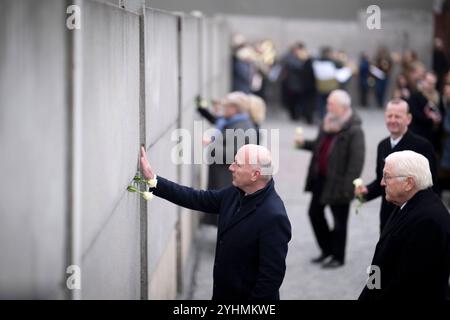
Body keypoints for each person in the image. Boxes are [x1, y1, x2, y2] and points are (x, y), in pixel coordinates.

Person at [139, 144, 292, 300]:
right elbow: (196, 198)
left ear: (255, 175)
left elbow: (270, 279)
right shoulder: (236, 192)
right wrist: (153, 180)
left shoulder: (274, 216)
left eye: (237, 164)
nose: (231, 168)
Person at [359, 150, 450, 300]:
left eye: (387, 176)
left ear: (408, 183)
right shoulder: (407, 203)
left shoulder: (428, 222)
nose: (382, 182)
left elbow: (408, 285)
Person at [295, 89, 365, 268]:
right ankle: (327, 250)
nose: (327, 107)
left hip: (340, 182)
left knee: (340, 222)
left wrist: (348, 186)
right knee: (314, 213)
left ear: (343, 107)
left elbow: (356, 162)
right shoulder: (327, 123)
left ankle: (338, 257)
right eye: (328, 103)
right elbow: (320, 146)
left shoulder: (354, 130)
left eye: (331, 104)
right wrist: (304, 144)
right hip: (321, 178)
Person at [354, 99, 438, 232]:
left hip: (412, 217)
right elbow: (381, 181)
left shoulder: (423, 146)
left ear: (408, 119)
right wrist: (365, 192)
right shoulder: (382, 145)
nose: (392, 120)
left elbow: (431, 186)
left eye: (397, 116)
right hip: (387, 217)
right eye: (389, 116)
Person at [196, 92, 257, 226]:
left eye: (227, 106)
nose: (224, 109)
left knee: (227, 214)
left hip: (227, 176)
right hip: (225, 175)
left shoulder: (240, 126)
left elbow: (231, 154)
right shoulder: (235, 122)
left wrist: (213, 143)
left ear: (235, 108)